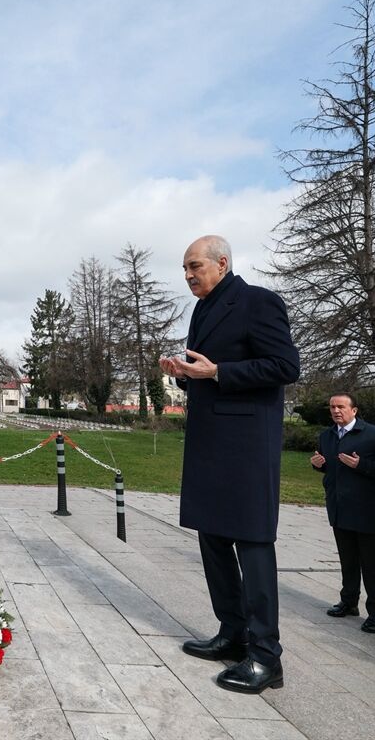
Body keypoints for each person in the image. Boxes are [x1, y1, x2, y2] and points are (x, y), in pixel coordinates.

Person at [159, 235, 299, 694]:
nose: (188, 275)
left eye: (194, 265)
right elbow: (207, 373)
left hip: (245, 448)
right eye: (184, 268)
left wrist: (217, 372)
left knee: (252, 544)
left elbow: (284, 366)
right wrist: (186, 377)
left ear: (222, 263)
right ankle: (233, 632)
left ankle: (265, 656)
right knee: (212, 538)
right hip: (209, 444)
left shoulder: (258, 302)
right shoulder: (201, 311)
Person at [310, 393, 375, 633]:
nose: (336, 411)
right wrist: (320, 465)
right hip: (339, 508)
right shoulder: (327, 435)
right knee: (348, 560)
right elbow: (332, 468)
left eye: (341, 407)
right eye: (332, 407)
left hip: (368, 511)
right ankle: (349, 602)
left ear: (354, 410)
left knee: (373, 564)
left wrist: (362, 465)